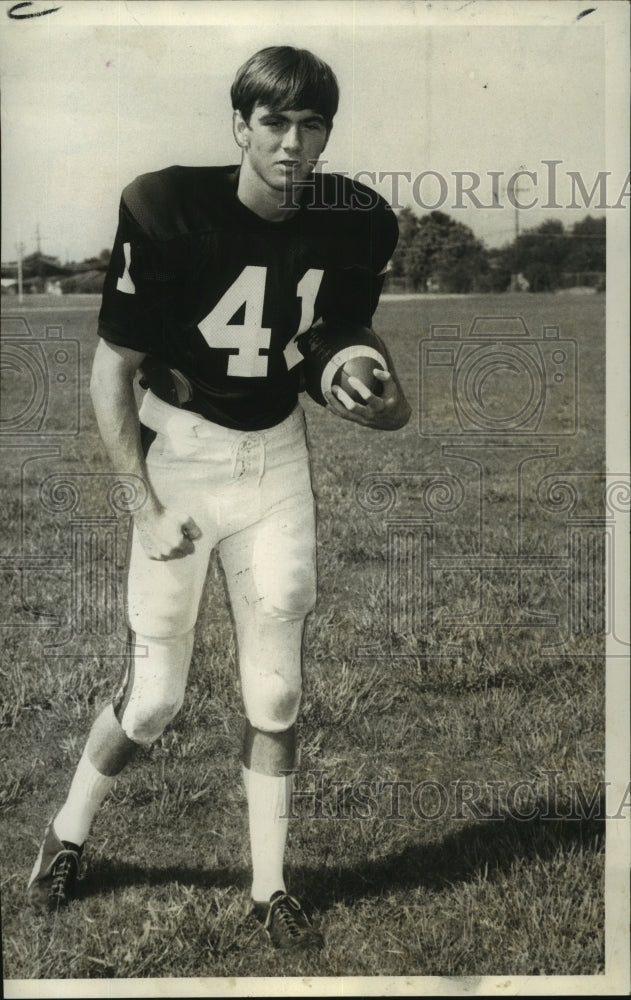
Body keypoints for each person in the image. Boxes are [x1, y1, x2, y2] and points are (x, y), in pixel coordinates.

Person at [28, 45, 410, 951]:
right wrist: (141, 503)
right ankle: (69, 834)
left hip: (275, 457)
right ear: (240, 126)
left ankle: (269, 888)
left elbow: (337, 335)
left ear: (325, 136)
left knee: (276, 692)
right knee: (155, 699)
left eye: (309, 125)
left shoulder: (356, 220)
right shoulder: (166, 208)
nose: (290, 143)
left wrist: (363, 373)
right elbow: (110, 369)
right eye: (273, 122)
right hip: (181, 457)